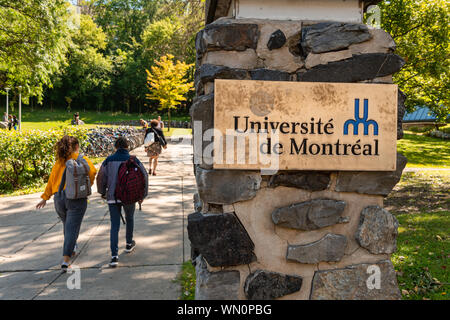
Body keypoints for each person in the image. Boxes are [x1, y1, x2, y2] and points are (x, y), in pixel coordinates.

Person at [36, 136, 97, 271]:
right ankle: (66, 259)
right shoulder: (79, 159)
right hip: (75, 198)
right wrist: (87, 184)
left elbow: (52, 180)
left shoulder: (59, 162)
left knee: (67, 224)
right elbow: (92, 171)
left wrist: (45, 197)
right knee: (72, 228)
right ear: (76, 146)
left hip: (59, 198)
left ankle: (72, 246)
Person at [96, 137, 148, 268]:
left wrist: (102, 192)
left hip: (113, 196)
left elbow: (100, 177)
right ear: (127, 147)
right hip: (129, 196)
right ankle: (129, 243)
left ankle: (114, 256)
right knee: (129, 218)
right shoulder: (133, 160)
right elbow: (144, 176)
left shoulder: (108, 160)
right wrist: (142, 195)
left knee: (114, 225)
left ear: (115, 147)